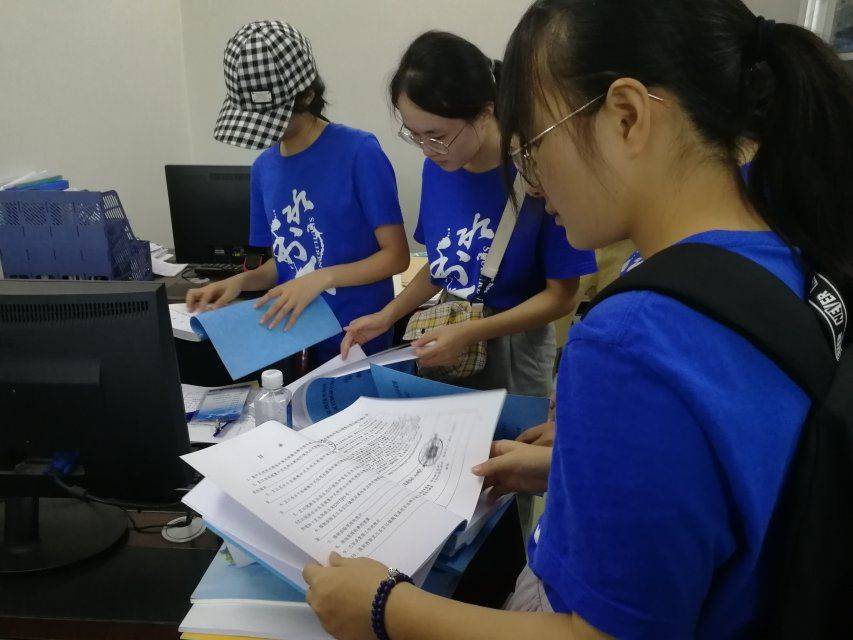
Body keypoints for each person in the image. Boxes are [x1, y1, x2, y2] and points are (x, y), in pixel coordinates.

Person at [300, 1, 853, 638]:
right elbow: (735, 470)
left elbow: (599, 633)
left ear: (627, 117)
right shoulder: (793, 243)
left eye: (534, 147)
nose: (533, 182)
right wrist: (574, 467)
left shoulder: (633, 342)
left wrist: (382, 607)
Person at [341, 31, 597, 397]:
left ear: (484, 113)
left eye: (437, 135)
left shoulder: (537, 175)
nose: (427, 149)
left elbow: (563, 296)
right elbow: (443, 266)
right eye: (414, 135)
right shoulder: (438, 169)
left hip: (514, 355)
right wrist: (387, 316)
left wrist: (471, 332)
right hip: (451, 339)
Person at [186, 21, 409, 365]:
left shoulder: (358, 153)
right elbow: (286, 263)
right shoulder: (264, 168)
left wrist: (322, 278)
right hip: (293, 340)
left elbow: (396, 257)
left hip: (357, 338)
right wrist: (241, 281)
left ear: (307, 95)